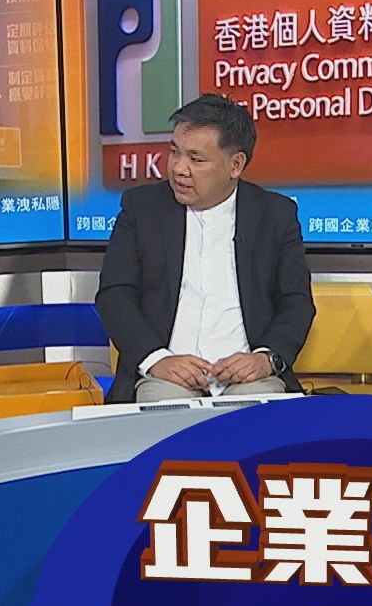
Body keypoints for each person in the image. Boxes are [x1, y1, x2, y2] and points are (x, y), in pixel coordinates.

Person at [97, 94, 314, 403]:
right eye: (175, 152)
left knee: (259, 417)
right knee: (164, 416)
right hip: (165, 377)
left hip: (247, 378)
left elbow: (296, 302)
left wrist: (265, 358)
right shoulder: (142, 209)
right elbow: (114, 295)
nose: (179, 168)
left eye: (196, 159)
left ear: (235, 165)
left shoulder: (275, 215)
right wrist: (156, 359)